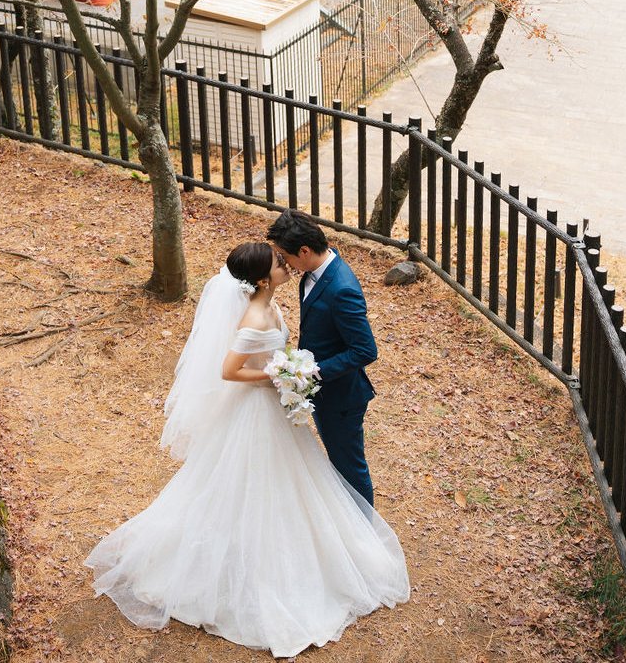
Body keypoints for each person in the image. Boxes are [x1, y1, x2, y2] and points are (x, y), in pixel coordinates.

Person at [85, 241, 409, 658]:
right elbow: (229, 369)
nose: (286, 265)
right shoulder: (255, 315)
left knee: (291, 481)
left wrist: (288, 369)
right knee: (253, 482)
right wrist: (276, 376)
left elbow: (277, 353)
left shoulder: (271, 303)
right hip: (256, 411)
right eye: (278, 263)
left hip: (276, 407)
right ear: (260, 279)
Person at [266, 209, 378, 505]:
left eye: (284, 256)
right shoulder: (312, 274)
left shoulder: (342, 289)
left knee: (349, 469)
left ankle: (364, 537)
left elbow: (366, 350)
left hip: (341, 398)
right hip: (321, 392)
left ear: (304, 250)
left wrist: (311, 372)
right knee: (336, 466)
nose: (283, 263)